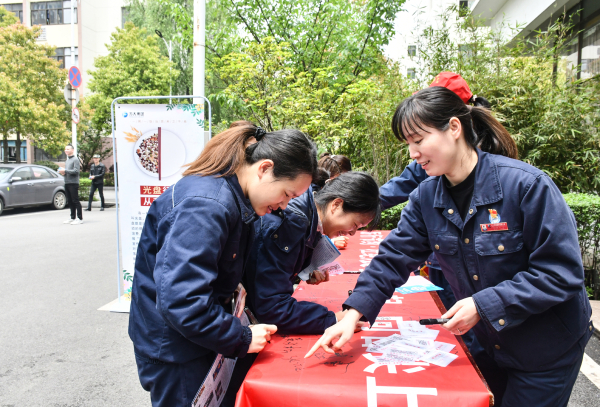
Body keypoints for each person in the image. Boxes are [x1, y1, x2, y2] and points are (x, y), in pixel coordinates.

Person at [306, 86, 593, 407]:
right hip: (487, 343)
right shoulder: (426, 198)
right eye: (408, 144)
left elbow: (560, 273)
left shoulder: (526, 186)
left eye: (418, 140)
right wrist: (352, 313)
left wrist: (482, 305)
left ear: (454, 128)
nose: (412, 154)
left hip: (545, 349)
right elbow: (393, 259)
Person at [129, 125, 319, 407]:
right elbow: (182, 301)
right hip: (177, 349)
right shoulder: (207, 205)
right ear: (264, 169)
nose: (283, 206)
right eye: (287, 194)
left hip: (195, 338)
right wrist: (240, 337)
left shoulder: (232, 195)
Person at [221, 172, 380, 407]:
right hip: (237, 326)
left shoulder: (305, 213)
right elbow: (272, 306)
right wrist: (331, 318)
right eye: (355, 225)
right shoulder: (291, 222)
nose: (352, 233)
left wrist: (303, 270)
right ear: (336, 205)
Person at [58, 144, 83, 225]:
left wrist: (65, 170)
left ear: (72, 150)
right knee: (70, 201)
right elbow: (68, 171)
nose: (66, 150)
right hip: (67, 182)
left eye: (68, 149)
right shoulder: (67, 160)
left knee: (75, 200)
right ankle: (72, 217)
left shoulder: (75, 159)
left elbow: (76, 171)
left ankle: (80, 218)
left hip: (73, 183)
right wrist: (63, 173)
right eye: (65, 149)